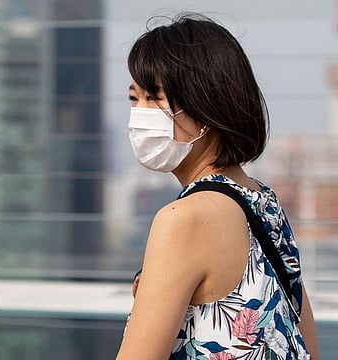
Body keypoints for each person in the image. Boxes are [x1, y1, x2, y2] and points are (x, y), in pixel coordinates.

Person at [116, 13, 320, 360]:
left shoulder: (185, 218)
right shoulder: (262, 201)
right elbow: (306, 344)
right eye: (135, 99)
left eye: (156, 98)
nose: (140, 114)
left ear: (206, 106)